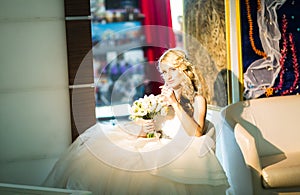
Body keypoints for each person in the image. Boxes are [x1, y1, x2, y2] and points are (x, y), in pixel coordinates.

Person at [43, 48, 229, 194]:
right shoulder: (161, 98)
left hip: (180, 151)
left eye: (173, 70)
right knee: (107, 158)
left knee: (145, 178)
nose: (168, 76)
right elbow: (155, 128)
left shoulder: (197, 100)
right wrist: (147, 126)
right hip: (158, 143)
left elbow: (195, 133)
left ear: (184, 70)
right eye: (164, 72)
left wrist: (175, 103)